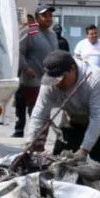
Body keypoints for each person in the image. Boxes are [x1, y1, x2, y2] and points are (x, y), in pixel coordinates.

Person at [26, 50, 100, 193]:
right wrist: (30, 142)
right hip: (74, 120)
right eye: (54, 82)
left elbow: (98, 118)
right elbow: (38, 114)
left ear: (72, 69)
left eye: (61, 80)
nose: (57, 85)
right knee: (58, 164)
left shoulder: (94, 79)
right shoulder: (49, 83)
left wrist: (83, 150)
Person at [15, 7, 59, 137]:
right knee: (34, 108)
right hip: (32, 79)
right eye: (45, 16)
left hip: (48, 79)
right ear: (37, 18)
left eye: (50, 16)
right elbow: (18, 51)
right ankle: (30, 135)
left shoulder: (53, 35)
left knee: (44, 109)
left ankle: (39, 135)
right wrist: (26, 67)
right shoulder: (30, 32)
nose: (48, 19)